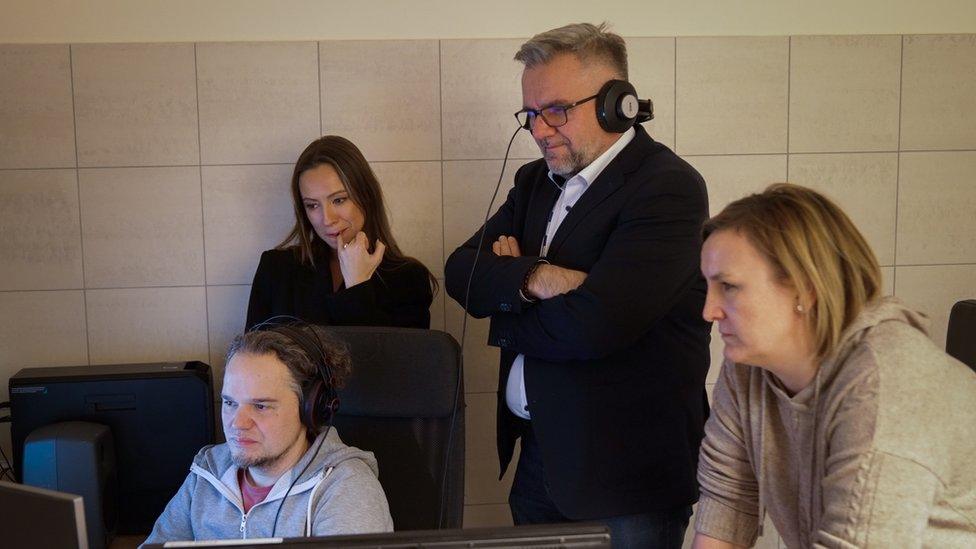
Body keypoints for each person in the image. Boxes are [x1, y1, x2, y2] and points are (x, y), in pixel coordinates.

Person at [444, 22, 711, 548]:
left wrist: (509, 301)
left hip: (628, 481)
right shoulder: (533, 183)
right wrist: (537, 276)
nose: (540, 131)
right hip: (540, 462)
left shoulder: (668, 189)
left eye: (556, 110)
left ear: (618, 104)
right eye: (530, 115)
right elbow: (462, 271)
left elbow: (596, 325)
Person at [694, 183, 976, 548]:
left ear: (805, 289)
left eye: (729, 287)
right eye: (708, 287)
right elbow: (729, 500)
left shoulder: (887, 382)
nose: (709, 311)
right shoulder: (751, 366)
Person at [143, 323, 393, 543]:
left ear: (309, 410)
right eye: (230, 403)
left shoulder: (345, 487)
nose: (237, 424)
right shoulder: (207, 471)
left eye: (261, 406)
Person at [245, 135, 436, 330]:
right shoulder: (276, 270)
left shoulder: (408, 279)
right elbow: (247, 357)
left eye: (339, 200)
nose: (327, 219)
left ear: (366, 196)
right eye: (312, 205)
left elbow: (391, 359)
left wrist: (357, 288)